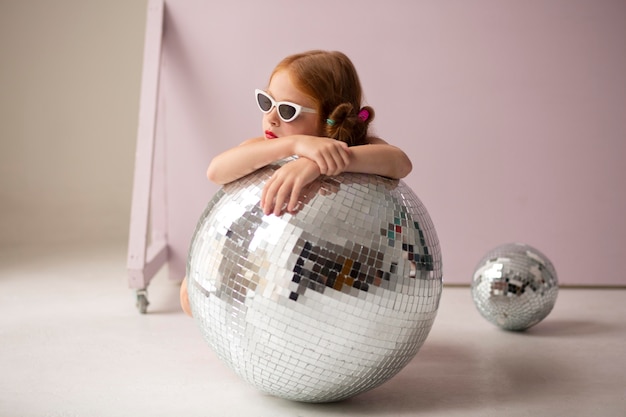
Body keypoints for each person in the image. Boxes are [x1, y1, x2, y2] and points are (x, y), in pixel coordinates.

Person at [180, 50, 412, 316]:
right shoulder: (265, 148)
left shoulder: (361, 149)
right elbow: (216, 171)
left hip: (337, 268)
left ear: (329, 118)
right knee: (190, 295)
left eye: (288, 111)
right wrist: (292, 144)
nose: (272, 118)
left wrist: (316, 163)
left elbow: (400, 162)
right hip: (267, 258)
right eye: (266, 102)